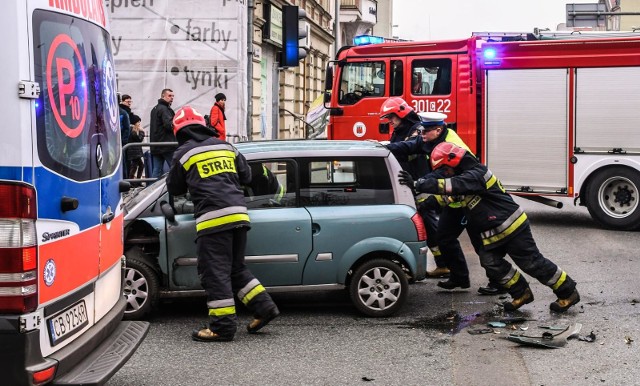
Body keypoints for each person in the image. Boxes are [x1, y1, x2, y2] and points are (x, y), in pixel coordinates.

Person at [398, 142, 581, 313]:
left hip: (512, 227)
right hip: (493, 232)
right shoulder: (463, 177)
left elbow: (451, 186)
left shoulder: (476, 174)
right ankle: (521, 293)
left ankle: (567, 292)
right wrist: (423, 204)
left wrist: (418, 183)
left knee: (531, 263)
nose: (444, 173)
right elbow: (448, 198)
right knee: (490, 262)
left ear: (454, 162)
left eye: (445, 169)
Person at [166, 106, 279, 342]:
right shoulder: (226, 146)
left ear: (178, 131)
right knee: (235, 269)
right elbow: (247, 177)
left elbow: (174, 188)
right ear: (202, 124)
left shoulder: (184, 153)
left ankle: (222, 327)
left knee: (214, 273)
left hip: (213, 219)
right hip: (239, 216)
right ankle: (264, 307)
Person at [385, 111, 473, 289]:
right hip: (454, 197)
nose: (421, 135)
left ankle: (498, 282)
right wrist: (384, 147)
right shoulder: (431, 138)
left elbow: (441, 174)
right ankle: (459, 277)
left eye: (425, 132)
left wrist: (417, 183)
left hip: (471, 198)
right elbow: (410, 146)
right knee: (445, 237)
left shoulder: (450, 145)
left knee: (482, 243)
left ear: (438, 130)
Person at [379, 98, 450, 279]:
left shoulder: (417, 130)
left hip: (420, 182)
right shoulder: (400, 130)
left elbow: (408, 148)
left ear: (401, 113)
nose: (390, 121)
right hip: (409, 183)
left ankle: (443, 264)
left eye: (392, 117)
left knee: (428, 223)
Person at [150, 88, 176, 178]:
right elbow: (169, 125)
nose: (172, 98)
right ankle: (178, 189)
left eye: (173, 96)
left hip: (156, 144)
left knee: (157, 170)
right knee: (175, 168)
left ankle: (151, 189)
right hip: (166, 144)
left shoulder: (155, 108)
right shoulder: (165, 109)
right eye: (169, 96)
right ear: (163, 96)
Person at [127, 114, 145, 183]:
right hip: (134, 152)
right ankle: (133, 182)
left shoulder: (133, 129)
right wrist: (142, 132)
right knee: (136, 166)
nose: (139, 124)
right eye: (138, 122)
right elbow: (139, 139)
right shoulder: (133, 130)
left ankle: (136, 181)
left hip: (135, 151)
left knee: (139, 165)